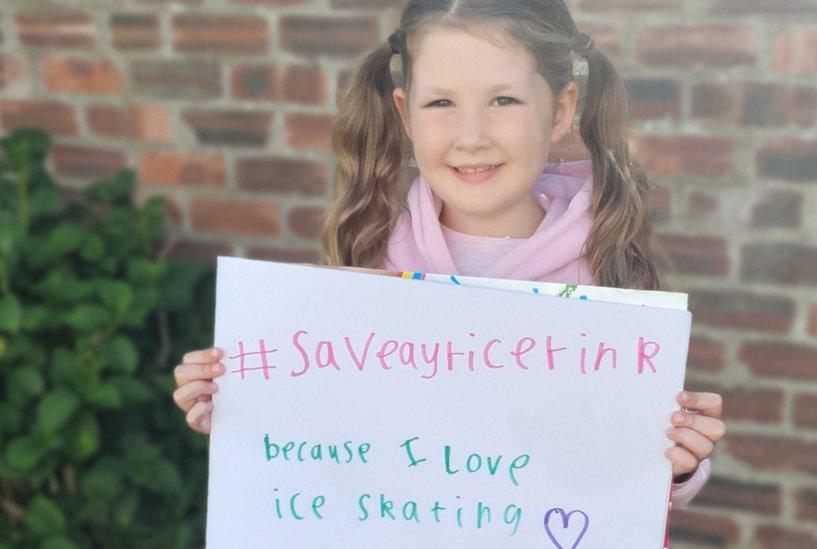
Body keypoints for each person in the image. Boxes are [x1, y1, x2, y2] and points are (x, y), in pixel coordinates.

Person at [172, 0, 725, 509]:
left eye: (503, 100)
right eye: (441, 102)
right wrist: (243, 407)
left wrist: (677, 464)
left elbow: (620, 489)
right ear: (405, 114)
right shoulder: (366, 266)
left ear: (561, 111)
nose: (471, 135)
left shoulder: (606, 273)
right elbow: (327, 448)